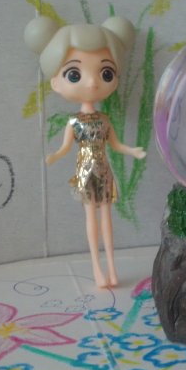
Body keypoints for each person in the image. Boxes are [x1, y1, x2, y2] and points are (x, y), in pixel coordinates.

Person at [25, 15, 145, 288]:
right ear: (56, 82)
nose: (91, 83)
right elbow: (65, 147)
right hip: (85, 172)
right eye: (75, 75)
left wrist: (132, 151)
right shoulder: (74, 122)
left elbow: (115, 144)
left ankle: (112, 268)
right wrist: (55, 156)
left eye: (106, 74)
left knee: (107, 220)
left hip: (104, 171)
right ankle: (97, 269)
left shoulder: (104, 120)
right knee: (92, 218)